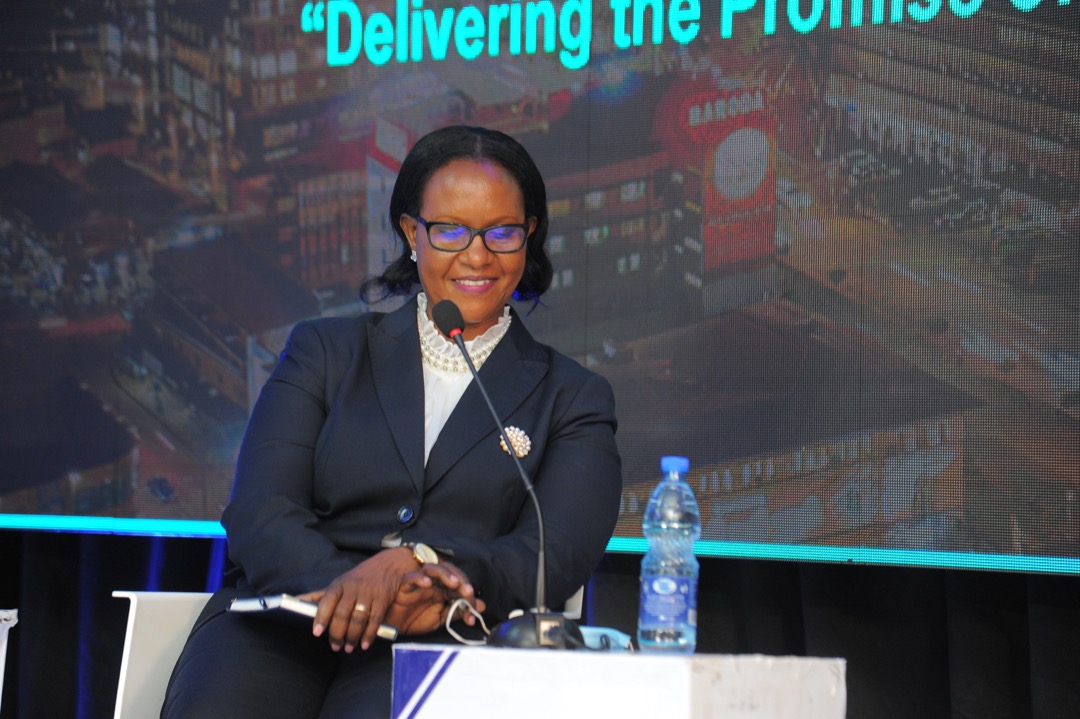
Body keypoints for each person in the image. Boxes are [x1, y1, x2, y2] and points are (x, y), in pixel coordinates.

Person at [161, 125, 623, 718]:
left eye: (502, 231)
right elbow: (260, 511)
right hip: (281, 621)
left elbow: (551, 554)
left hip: (442, 635)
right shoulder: (323, 352)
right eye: (450, 230)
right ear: (412, 233)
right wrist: (352, 593)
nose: (477, 255)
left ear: (528, 236)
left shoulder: (575, 398)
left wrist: (425, 570)